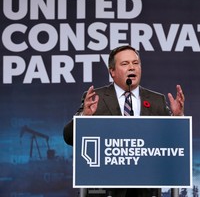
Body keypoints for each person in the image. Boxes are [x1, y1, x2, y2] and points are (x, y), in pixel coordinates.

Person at [63, 45, 185, 197]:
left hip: (145, 189)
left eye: (136, 63)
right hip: (106, 188)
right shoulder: (96, 98)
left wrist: (178, 118)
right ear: (112, 71)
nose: (132, 68)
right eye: (125, 64)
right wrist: (85, 118)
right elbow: (69, 137)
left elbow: (172, 142)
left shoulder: (156, 100)